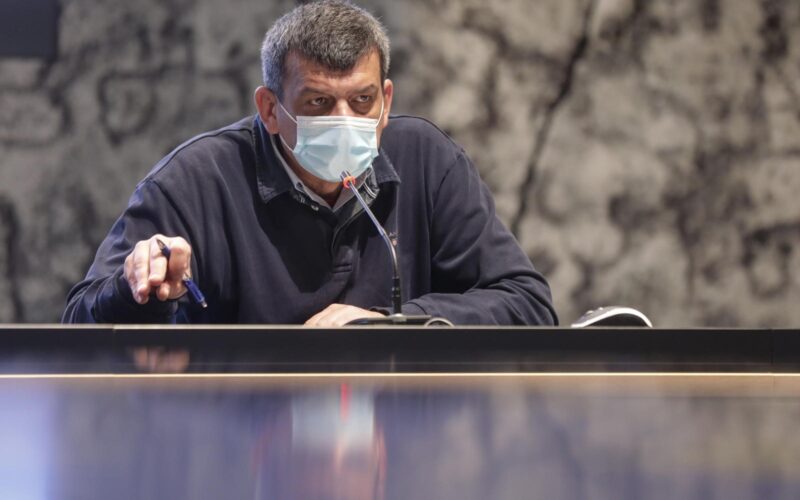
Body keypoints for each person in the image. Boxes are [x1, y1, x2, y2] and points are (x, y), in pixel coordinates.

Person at [62, 0, 557, 326]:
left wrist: (392, 324)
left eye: (362, 101)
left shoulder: (426, 159)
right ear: (269, 109)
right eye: (319, 103)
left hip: (395, 431)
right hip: (245, 433)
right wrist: (134, 289)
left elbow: (527, 303)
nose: (345, 121)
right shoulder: (196, 180)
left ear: (386, 100)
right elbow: (78, 323)